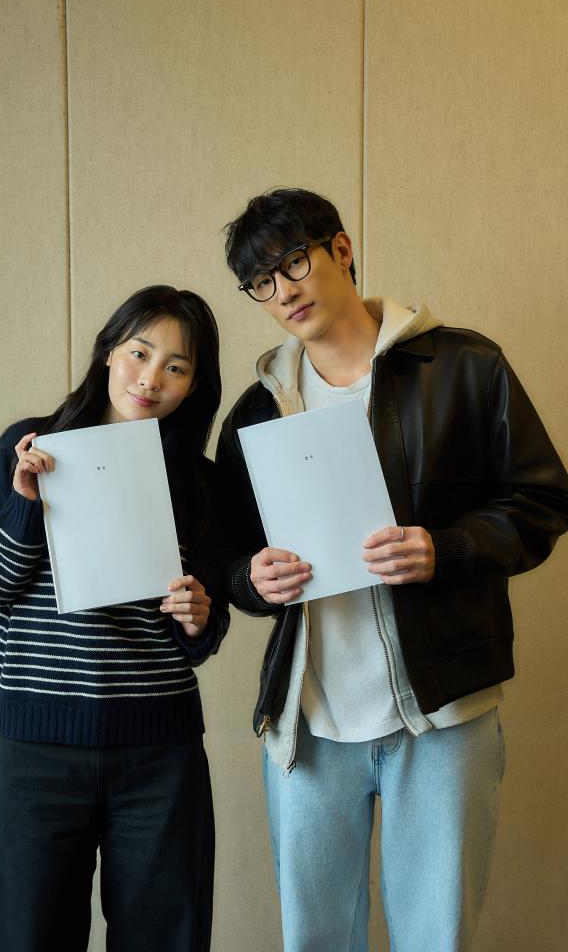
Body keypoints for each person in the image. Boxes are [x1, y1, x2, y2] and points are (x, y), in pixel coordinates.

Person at [215, 188, 568, 952]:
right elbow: (229, 558)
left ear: (341, 250)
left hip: (444, 718)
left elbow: (542, 501)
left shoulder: (464, 365)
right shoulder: (255, 409)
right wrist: (252, 579)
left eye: (293, 263)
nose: (282, 292)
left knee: (435, 938)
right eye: (261, 283)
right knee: (314, 939)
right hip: (308, 724)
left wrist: (446, 549)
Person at [0, 285, 229, 952]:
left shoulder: (197, 481)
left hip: (159, 756)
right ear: (108, 352)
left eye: (177, 367)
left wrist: (198, 618)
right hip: (35, 748)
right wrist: (25, 505)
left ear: (194, 385)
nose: (150, 379)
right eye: (139, 353)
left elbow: (201, 625)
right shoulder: (27, 448)